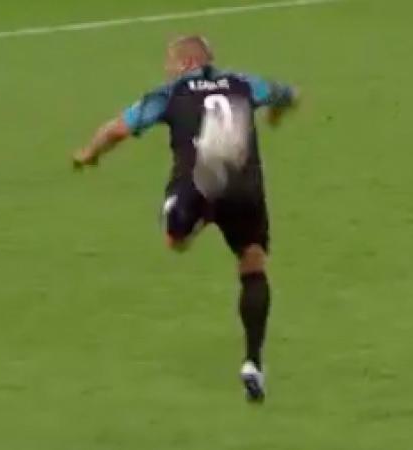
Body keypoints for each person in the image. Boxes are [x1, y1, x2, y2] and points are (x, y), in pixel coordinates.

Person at [72, 35, 298, 402]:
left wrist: (88, 154)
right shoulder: (242, 83)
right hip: (245, 188)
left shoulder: (171, 93)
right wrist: (276, 112)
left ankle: (180, 212)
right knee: (252, 260)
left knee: (175, 241)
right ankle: (253, 363)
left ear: (185, 64)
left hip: (201, 183)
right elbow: (287, 93)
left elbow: (117, 129)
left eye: (169, 63)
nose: (166, 69)